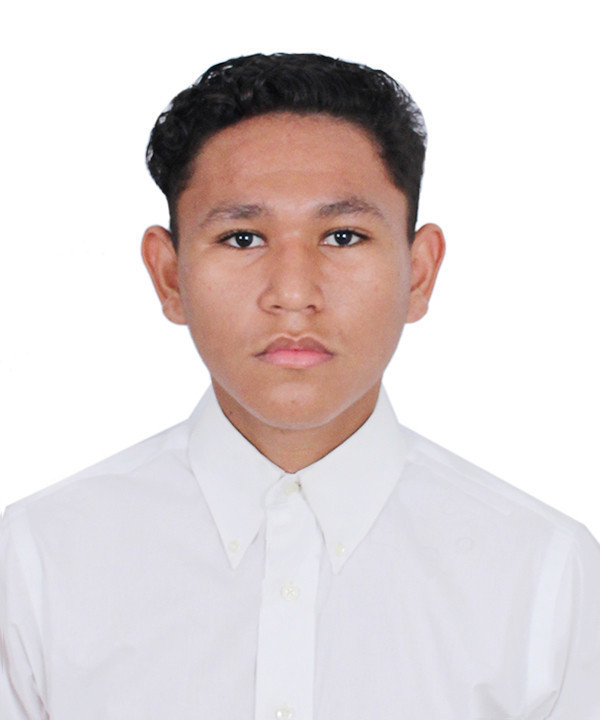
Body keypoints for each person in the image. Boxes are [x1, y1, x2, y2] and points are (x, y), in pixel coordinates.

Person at [1, 53, 598, 719]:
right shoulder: (34, 564)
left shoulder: (546, 575)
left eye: (342, 236)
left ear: (419, 272)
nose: (292, 293)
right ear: (170, 276)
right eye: (242, 237)